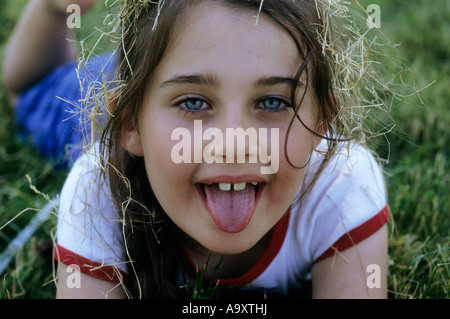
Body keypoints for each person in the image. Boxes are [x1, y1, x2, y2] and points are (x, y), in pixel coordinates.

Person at [6, 0, 392, 299]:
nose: (234, 145)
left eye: (273, 102)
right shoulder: (98, 184)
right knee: (29, 91)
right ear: (130, 124)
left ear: (321, 123)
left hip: (166, 70)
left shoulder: (341, 182)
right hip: (109, 94)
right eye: (194, 104)